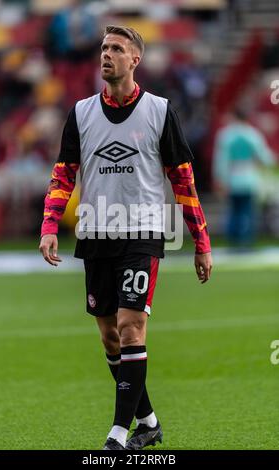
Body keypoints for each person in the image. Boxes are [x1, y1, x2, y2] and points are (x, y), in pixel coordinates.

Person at [39, 25, 212, 450]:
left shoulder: (158, 110)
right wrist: (48, 226)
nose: (106, 54)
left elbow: (183, 180)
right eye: (103, 48)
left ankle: (118, 434)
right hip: (97, 232)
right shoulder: (81, 113)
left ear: (135, 60)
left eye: (117, 48)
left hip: (144, 232)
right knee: (110, 335)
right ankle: (149, 422)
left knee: (132, 327)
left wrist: (201, 242)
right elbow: (64, 176)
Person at [213, 108, 275, 246]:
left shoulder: (226, 135)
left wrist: (220, 179)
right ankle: (246, 242)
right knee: (247, 213)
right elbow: (266, 158)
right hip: (249, 178)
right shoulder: (252, 134)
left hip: (232, 178)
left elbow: (221, 161)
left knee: (233, 212)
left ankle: (233, 243)